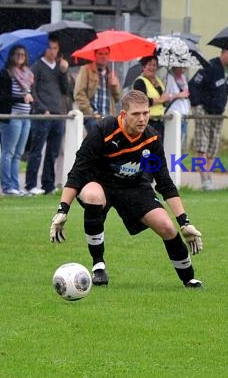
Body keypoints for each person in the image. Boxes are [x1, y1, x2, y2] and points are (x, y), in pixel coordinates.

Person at [49, 90, 204, 288]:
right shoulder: (103, 131)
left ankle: (189, 278)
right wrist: (62, 209)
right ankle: (98, 266)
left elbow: (164, 182)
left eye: (146, 113)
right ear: (123, 115)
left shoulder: (152, 139)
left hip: (133, 185)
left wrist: (184, 222)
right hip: (99, 182)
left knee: (166, 226)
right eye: (136, 114)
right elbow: (78, 172)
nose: (142, 119)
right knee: (93, 196)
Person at [188, 43, 228, 190]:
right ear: (222, 53)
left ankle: (209, 178)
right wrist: (196, 105)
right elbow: (193, 85)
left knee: (213, 146)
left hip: (218, 112)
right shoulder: (209, 66)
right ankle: (204, 179)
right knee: (202, 145)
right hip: (203, 110)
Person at [25, 35, 69, 195]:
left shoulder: (59, 67)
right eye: (50, 47)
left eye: (55, 48)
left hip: (58, 114)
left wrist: (64, 72)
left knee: (53, 151)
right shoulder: (36, 67)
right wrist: (42, 108)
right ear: (44, 48)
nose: (53, 51)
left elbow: (66, 90)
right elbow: (32, 91)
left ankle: (48, 184)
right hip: (43, 115)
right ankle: (30, 184)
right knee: (36, 150)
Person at [0, 45, 35, 196]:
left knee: (19, 153)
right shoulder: (6, 73)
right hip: (12, 117)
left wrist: (31, 100)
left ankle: (15, 185)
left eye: (23, 54)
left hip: (26, 117)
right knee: (8, 152)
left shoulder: (28, 74)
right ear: (11, 56)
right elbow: (3, 97)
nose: (20, 56)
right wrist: (22, 98)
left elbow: (29, 96)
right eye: (17, 54)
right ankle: (7, 187)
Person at [74, 47, 121, 134]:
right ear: (95, 55)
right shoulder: (86, 69)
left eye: (106, 54)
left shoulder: (111, 73)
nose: (103, 56)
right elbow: (79, 93)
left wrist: (114, 86)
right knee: (97, 143)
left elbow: (118, 98)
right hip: (93, 117)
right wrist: (91, 113)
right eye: (100, 54)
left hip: (108, 117)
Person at [133, 55, 170, 141]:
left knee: (158, 149)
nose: (152, 67)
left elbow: (164, 102)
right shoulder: (139, 82)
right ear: (143, 66)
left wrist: (165, 97)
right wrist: (161, 100)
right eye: (149, 64)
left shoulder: (158, 81)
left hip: (159, 120)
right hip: (147, 122)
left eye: (154, 65)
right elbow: (143, 101)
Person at [164, 66, 191, 151]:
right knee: (174, 142)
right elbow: (165, 97)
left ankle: (178, 162)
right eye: (180, 67)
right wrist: (178, 95)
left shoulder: (183, 77)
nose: (182, 69)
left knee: (181, 142)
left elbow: (186, 92)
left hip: (184, 114)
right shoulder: (168, 78)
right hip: (174, 113)